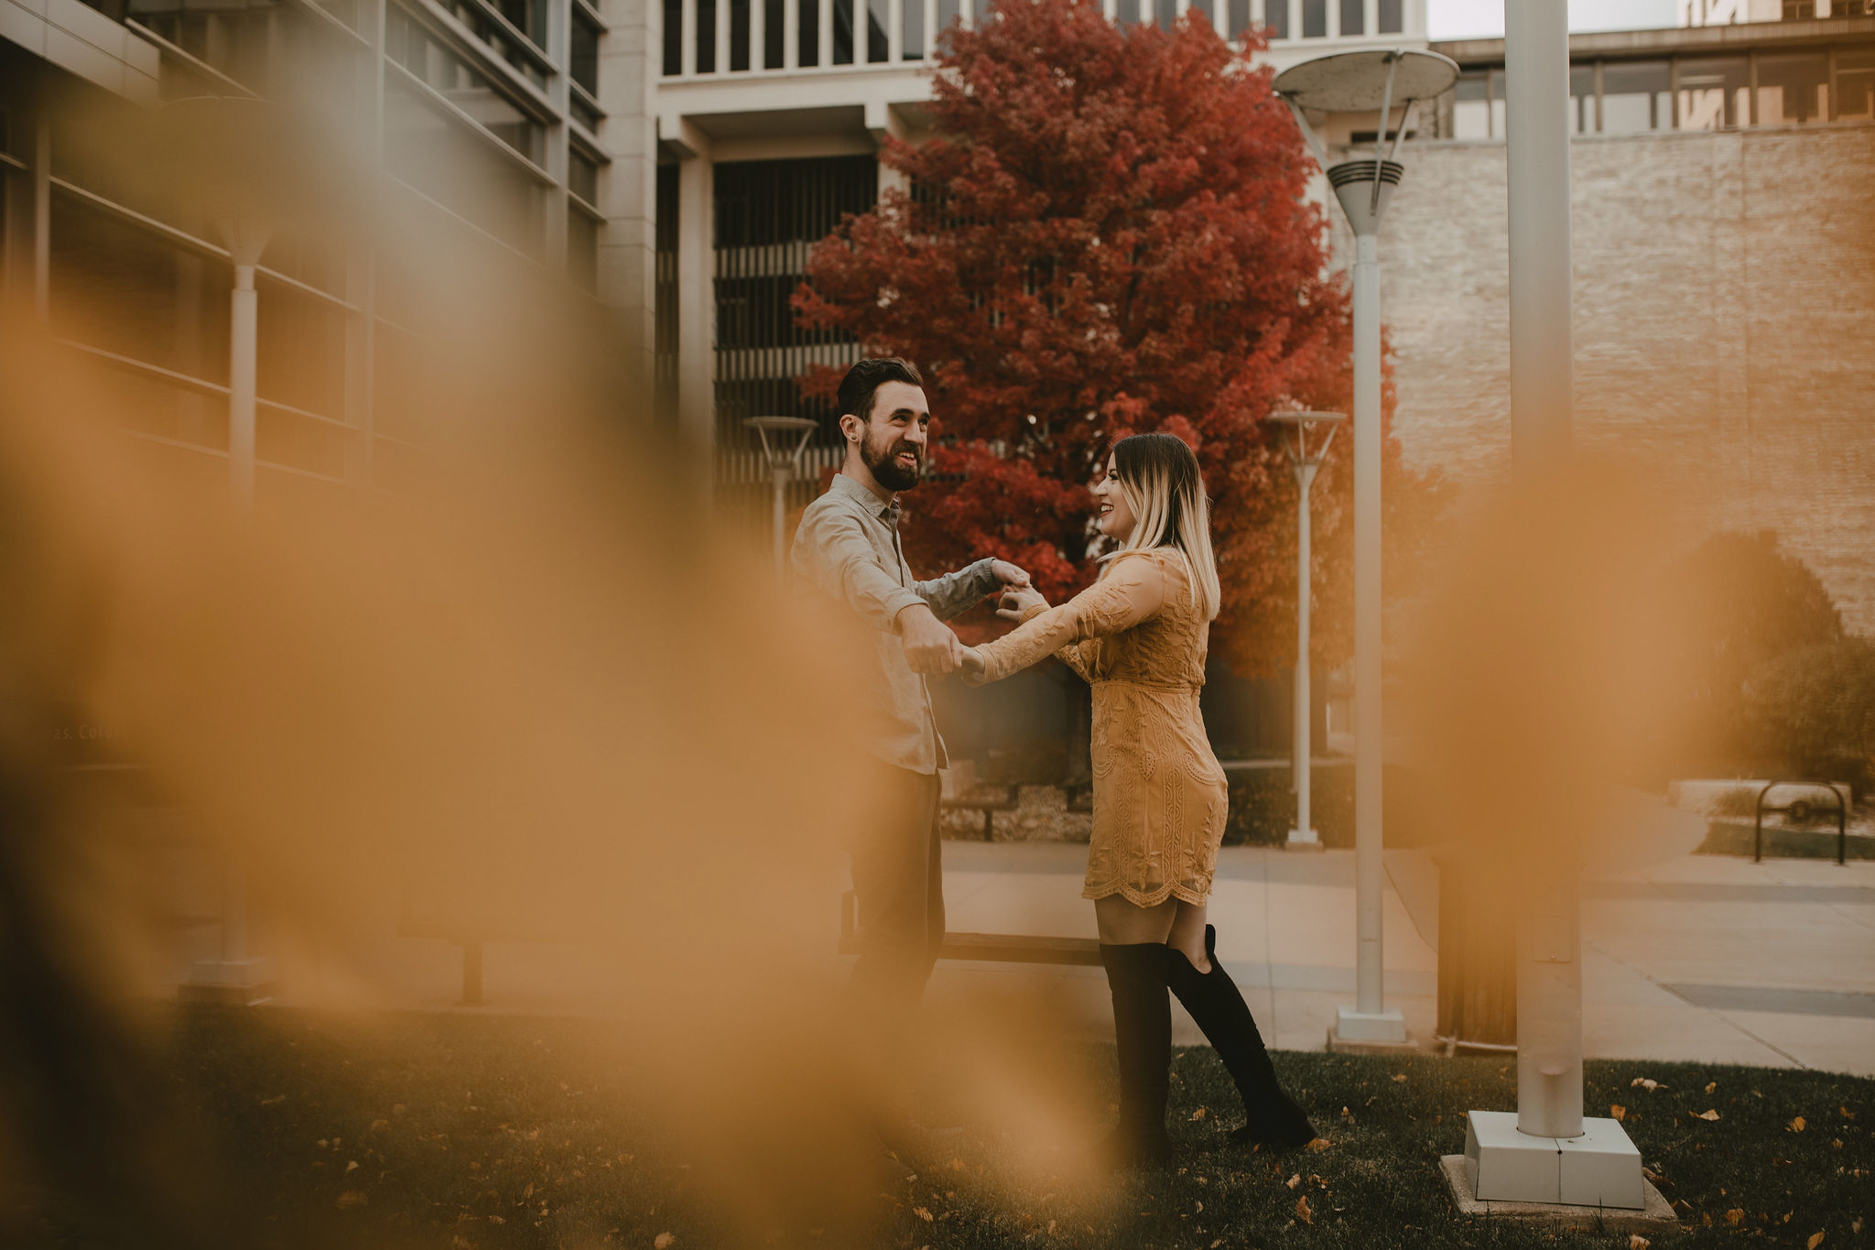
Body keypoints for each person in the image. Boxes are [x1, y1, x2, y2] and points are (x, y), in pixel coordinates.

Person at [960, 432, 1316, 1167]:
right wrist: (1039, 612)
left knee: (1131, 967)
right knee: (1185, 959)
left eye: (1115, 476)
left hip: (1155, 785)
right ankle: (1274, 1114)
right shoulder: (1168, 573)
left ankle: (1139, 1140)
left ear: (1150, 491)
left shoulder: (1147, 570)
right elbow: (1096, 660)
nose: (1100, 486)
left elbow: (1078, 621)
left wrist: (980, 660)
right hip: (1178, 776)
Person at [790, 357, 1032, 1030]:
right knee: (895, 943)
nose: (917, 435)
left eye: (924, 423)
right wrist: (909, 615)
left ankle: (868, 1093)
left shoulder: (881, 521)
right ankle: (852, 1099)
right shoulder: (832, 520)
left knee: (917, 943)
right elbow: (861, 580)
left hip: (909, 760)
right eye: (900, 418)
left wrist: (981, 574)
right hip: (870, 763)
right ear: (851, 427)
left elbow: (905, 594)